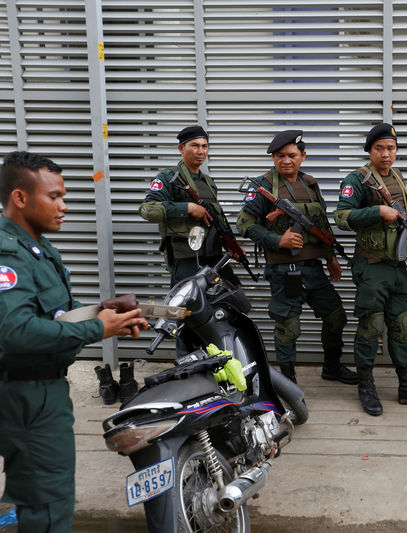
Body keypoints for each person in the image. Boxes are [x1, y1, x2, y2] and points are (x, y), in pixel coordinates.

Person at [0, 151, 148, 533]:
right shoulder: (8, 254)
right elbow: (14, 332)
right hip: (27, 394)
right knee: (49, 502)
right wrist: (98, 330)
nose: (64, 207)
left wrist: (106, 312)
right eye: (54, 197)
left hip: (40, 388)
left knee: (31, 490)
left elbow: (56, 311)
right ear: (20, 198)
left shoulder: (37, 246)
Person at [333, 123, 407, 416]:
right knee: (371, 327)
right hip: (371, 266)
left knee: (403, 326)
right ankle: (366, 386)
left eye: (391, 148)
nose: (385, 154)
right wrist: (377, 212)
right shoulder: (357, 179)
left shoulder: (395, 176)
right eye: (379, 148)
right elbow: (342, 217)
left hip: (397, 266)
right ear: (370, 150)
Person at [236, 130, 357, 385]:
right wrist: (277, 240)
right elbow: (244, 224)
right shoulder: (264, 185)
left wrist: (331, 257)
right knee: (288, 328)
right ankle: (287, 380)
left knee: (336, 316)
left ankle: (332, 367)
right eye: (279, 156)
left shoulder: (311, 184)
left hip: (313, 268)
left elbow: (321, 224)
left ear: (303, 156)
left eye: (292, 155)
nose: (286, 160)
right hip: (284, 271)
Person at [138, 125, 239, 355]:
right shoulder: (169, 178)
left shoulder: (208, 182)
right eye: (194, 145)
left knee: (216, 312)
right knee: (184, 316)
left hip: (212, 259)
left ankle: (213, 362)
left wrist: (232, 245)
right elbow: (147, 209)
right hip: (185, 260)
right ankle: (186, 365)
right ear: (181, 148)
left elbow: (218, 220)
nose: (200, 151)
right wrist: (187, 208)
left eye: (204, 146)